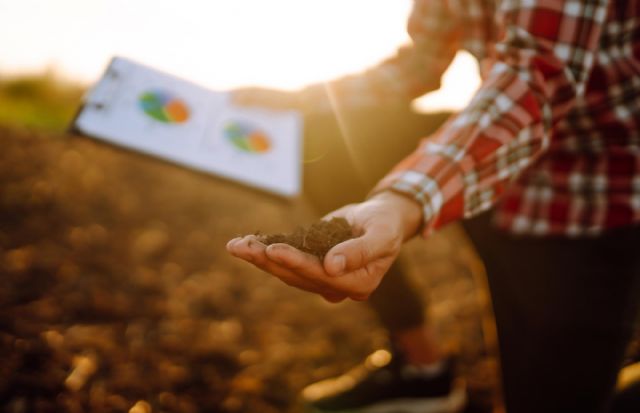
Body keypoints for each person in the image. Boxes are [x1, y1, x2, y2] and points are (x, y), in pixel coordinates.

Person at [227, 0, 640, 412]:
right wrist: (300, 100)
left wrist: (403, 199)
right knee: (323, 139)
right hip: (496, 166)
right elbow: (420, 64)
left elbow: (535, 80)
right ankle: (423, 370)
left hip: (593, 188)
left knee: (549, 399)